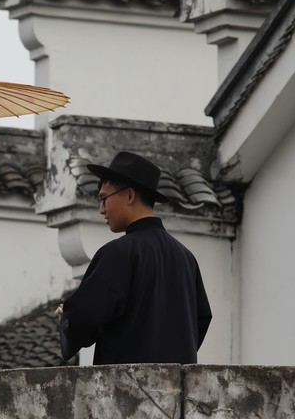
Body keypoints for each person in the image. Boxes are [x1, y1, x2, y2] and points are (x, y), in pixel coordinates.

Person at [58, 151, 211, 365]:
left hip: (127, 389)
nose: (101, 209)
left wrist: (68, 314)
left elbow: (86, 318)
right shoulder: (186, 258)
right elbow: (201, 317)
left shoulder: (117, 253)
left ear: (129, 195)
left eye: (104, 199)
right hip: (178, 389)